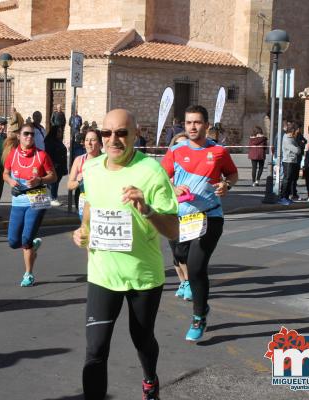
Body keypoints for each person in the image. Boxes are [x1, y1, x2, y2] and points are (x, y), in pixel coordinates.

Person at [72, 109, 179, 400]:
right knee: (95, 350)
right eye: (107, 133)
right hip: (102, 274)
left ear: (135, 133)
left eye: (121, 133)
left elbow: (173, 230)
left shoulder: (151, 172)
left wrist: (147, 209)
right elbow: (91, 205)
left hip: (142, 276)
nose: (113, 139)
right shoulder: (92, 169)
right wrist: (82, 229)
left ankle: (150, 380)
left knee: (142, 339)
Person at [161, 105, 238, 341]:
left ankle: (198, 317)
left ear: (206, 125)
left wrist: (227, 185)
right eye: (188, 123)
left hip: (210, 216)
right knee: (180, 257)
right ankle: (203, 306)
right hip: (183, 217)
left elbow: (232, 174)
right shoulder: (175, 151)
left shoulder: (218, 151)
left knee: (196, 267)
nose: (192, 127)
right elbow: (161, 177)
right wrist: (173, 188)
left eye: (196, 122)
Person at [3, 123, 57, 287]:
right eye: (26, 134)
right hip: (18, 200)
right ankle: (32, 245)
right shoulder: (13, 154)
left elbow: (53, 176)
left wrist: (39, 180)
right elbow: (5, 173)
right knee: (13, 242)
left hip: (38, 198)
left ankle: (28, 274)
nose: (29, 137)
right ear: (19, 136)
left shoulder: (42, 155)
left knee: (26, 238)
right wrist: (11, 181)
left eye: (32, 135)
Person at [166, 132, 192, 301]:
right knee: (175, 251)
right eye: (178, 144)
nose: (182, 147)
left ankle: (189, 283)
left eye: (185, 144)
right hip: (171, 210)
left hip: (189, 212)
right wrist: (173, 187)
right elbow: (161, 179)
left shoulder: (192, 166)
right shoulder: (169, 164)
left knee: (183, 250)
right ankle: (182, 282)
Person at [67, 128, 102, 220]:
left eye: (93, 140)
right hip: (84, 203)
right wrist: (78, 181)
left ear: (100, 144)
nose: (89, 143)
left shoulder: (106, 161)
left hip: (101, 202)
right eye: (87, 140)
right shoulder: (79, 160)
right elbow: (70, 185)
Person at [44, 125, 68, 206]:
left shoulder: (58, 141)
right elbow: (48, 154)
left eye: (61, 131)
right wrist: (53, 165)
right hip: (54, 165)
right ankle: (53, 198)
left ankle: (50, 197)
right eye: (58, 131)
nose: (60, 133)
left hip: (60, 166)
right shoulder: (49, 141)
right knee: (53, 182)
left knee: (54, 182)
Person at [279, 126, 302, 205]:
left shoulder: (292, 138)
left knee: (290, 180)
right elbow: (296, 150)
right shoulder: (287, 138)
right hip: (288, 161)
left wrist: (298, 149)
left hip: (292, 160)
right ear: (292, 131)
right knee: (287, 179)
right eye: (296, 131)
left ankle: (287, 197)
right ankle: (283, 197)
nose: (297, 133)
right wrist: (298, 149)